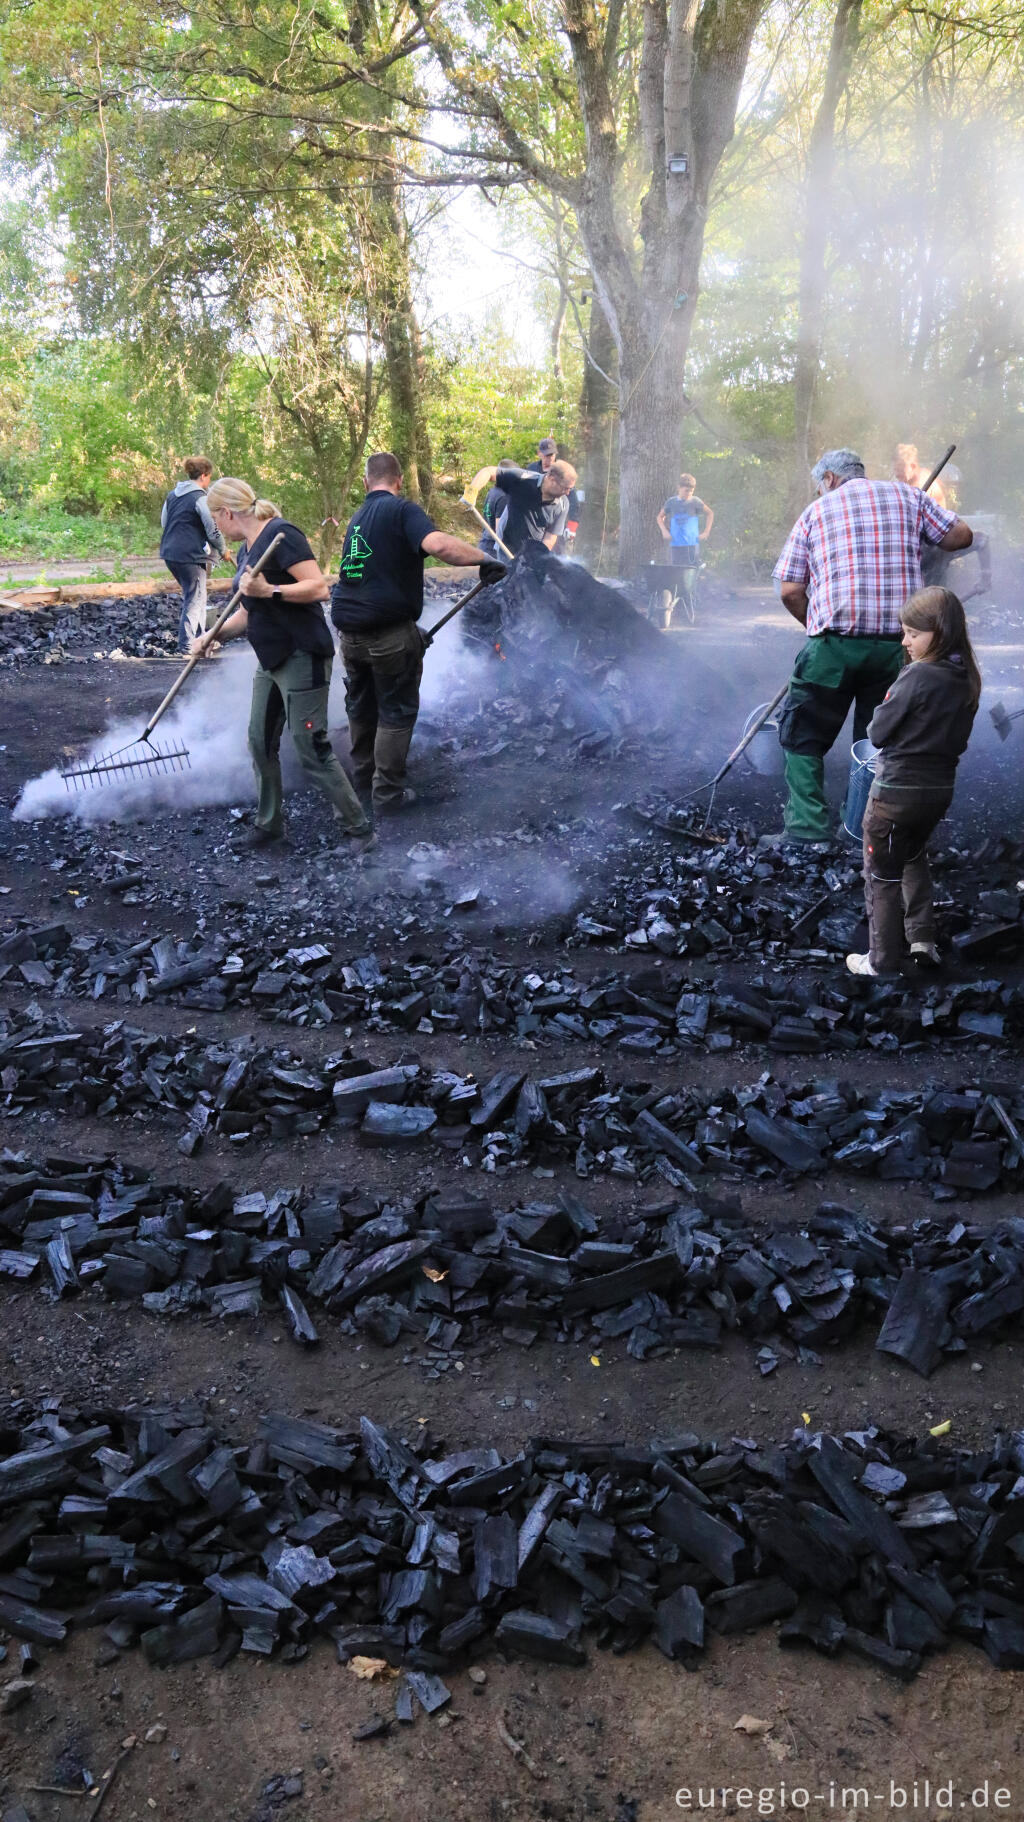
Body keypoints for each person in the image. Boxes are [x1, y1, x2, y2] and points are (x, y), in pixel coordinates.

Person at [769, 447, 973, 845]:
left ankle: (806, 830)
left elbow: (791, 589)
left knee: (803, 733)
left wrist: (815, 624)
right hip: (899, 647)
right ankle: (861, 828)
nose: (818, 493)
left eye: (819, 486)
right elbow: (961, 536)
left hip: (832, 647)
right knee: (876, 740)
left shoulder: (815, 513)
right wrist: (923, 546)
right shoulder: (908, 496)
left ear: (829, 479)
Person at [189, 478, 373, 853]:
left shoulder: (282, 535)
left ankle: (360, 832)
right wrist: (214, 637)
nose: (215, 528)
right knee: (259, 741)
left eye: (214, 519)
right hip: (271, 659)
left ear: (227, 513)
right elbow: (247, 613)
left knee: (311, 747)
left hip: (302, 654)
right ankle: (269, 826)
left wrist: (270, 590)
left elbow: (319, 588)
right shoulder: (245, 552)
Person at [330, 452, 506, 813]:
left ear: (366, 483)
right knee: (395, 711)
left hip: (349, 635)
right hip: (386, 635)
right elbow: (439, 545)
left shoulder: (357, 519)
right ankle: (387, 796)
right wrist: (484, 559)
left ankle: (362, 781)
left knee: (362, 707)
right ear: (398, 482)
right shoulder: (402, 510)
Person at [846, 586, 980, 977]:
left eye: (912, 634)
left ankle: (881, 961)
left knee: (881, 874)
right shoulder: (965, 676)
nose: (905, 642)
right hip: (937, 793)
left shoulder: (917, 675)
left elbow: (877, 732)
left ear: (939, 632)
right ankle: (922, 939)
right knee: (913, 856)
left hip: (895, 795)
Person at [159, 456, 227, 652]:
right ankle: (188, 646)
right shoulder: (200, 498)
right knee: (195, 599)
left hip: (170, 553)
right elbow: (212, 528)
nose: (209, 482)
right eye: (209, 478)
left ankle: (200, 640)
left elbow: (165, 522)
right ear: (204, 476)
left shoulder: (172, 495)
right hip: (190, 555)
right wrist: (222, 548)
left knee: (197, 596)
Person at [463, 460, 578, 557]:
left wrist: (538, 557)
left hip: (530, 557)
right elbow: (488, 471)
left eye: (570, 489)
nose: (568, 493)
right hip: (505, 550)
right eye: (565, 488)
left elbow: (550, 537)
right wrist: (471, 492)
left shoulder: (563, 504)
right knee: (503, 581)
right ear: (552, 479)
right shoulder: (523, 480)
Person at [656, 474, 714, 618]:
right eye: (686, 490)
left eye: (691, 491)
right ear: (679, 488)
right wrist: (664, 531)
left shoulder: (695, 502)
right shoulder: (671, 503)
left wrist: (706, 532)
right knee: (676, 575)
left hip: (691, 546)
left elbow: (710, 514)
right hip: (676, 545)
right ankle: (678, 605)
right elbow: (659, 517)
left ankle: (690, 603)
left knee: (690, 577)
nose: (688, 494)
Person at [526, 437, 581, 550]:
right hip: (533, 522)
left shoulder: (563, 472)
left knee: (556, 553)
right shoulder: (531, 470)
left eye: (552, 455)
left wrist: (572, 526)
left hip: (556, 520)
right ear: (539, 454)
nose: (549, 459)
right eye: (546, 455)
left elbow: (573, 501)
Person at [480, 458, 518, 559]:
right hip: (493, 550)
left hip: (484, 543)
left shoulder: (492, 492)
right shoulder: (504, 497)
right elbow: (499, 529)